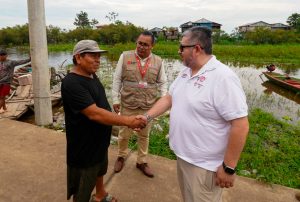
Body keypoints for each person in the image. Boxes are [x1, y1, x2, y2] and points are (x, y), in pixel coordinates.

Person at [144, 27, 249, 202]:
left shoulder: (223, 78)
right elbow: (170, 98)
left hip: (204, 166)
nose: (179, 51)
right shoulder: (186, 70)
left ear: (197, 48)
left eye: (182, 47)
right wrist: (147, 116)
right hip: (183, 156)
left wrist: (229, 168)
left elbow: (241, 125)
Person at [61, 40, 146, 202]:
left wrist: (118, 122)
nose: (98, 60)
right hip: (84, 147)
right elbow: (94, 113)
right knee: (83, 186)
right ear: (78, 58)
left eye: (99, 56)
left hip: (99, 142)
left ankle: (100, 195)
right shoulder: (71, 83)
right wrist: (128, 121)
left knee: (99, 170)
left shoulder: (91, 75)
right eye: (93, 56)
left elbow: (101, 104)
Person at [112, 31, 167, 178]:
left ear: (152, 46)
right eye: (139, 43)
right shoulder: (125, 56)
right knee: (124, 133)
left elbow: (162, 83)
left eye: (145, 45)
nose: (141, 47)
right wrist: (115, 99)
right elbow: (117, 79)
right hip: (128, 103)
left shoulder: (159, 61)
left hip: (147, 106)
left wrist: (162, 101)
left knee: (144, 135)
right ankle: (121, 156)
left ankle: (141, 161)